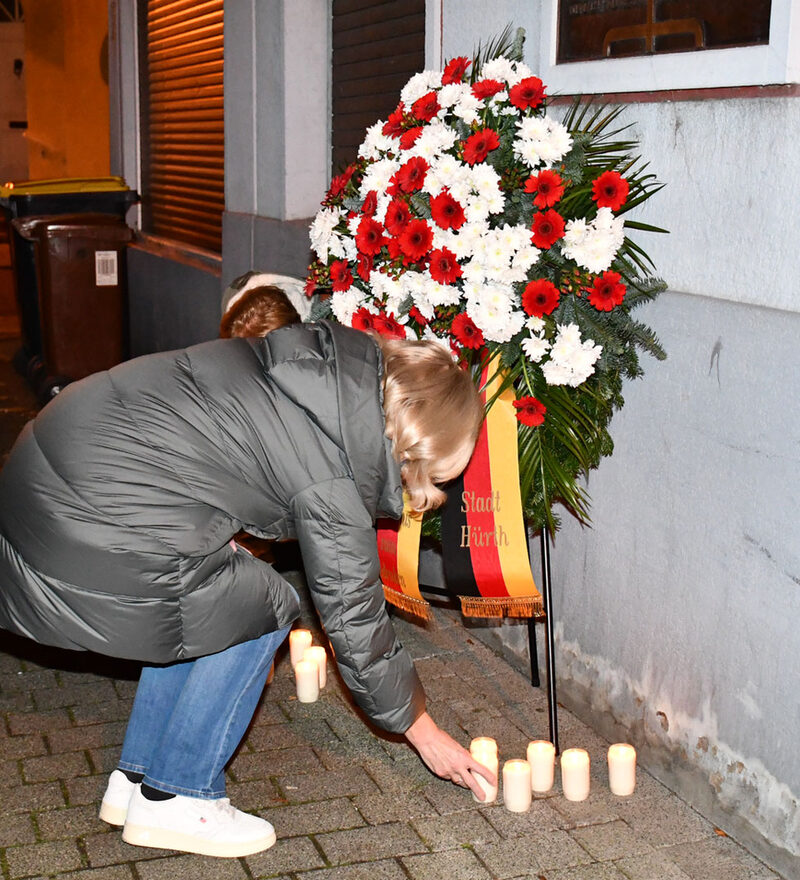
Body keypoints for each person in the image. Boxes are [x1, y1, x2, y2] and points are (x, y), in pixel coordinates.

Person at [0, 319, 492, 858]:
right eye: (437, 476)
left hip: (53, 473)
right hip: (85, 515)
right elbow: (353, 619)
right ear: (415, 444)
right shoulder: (332, 466)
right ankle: (177, 796)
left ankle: (138, 779)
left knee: (206, 599)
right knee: (266, 606)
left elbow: (210, 448)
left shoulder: (316, 376)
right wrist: (424, 732)